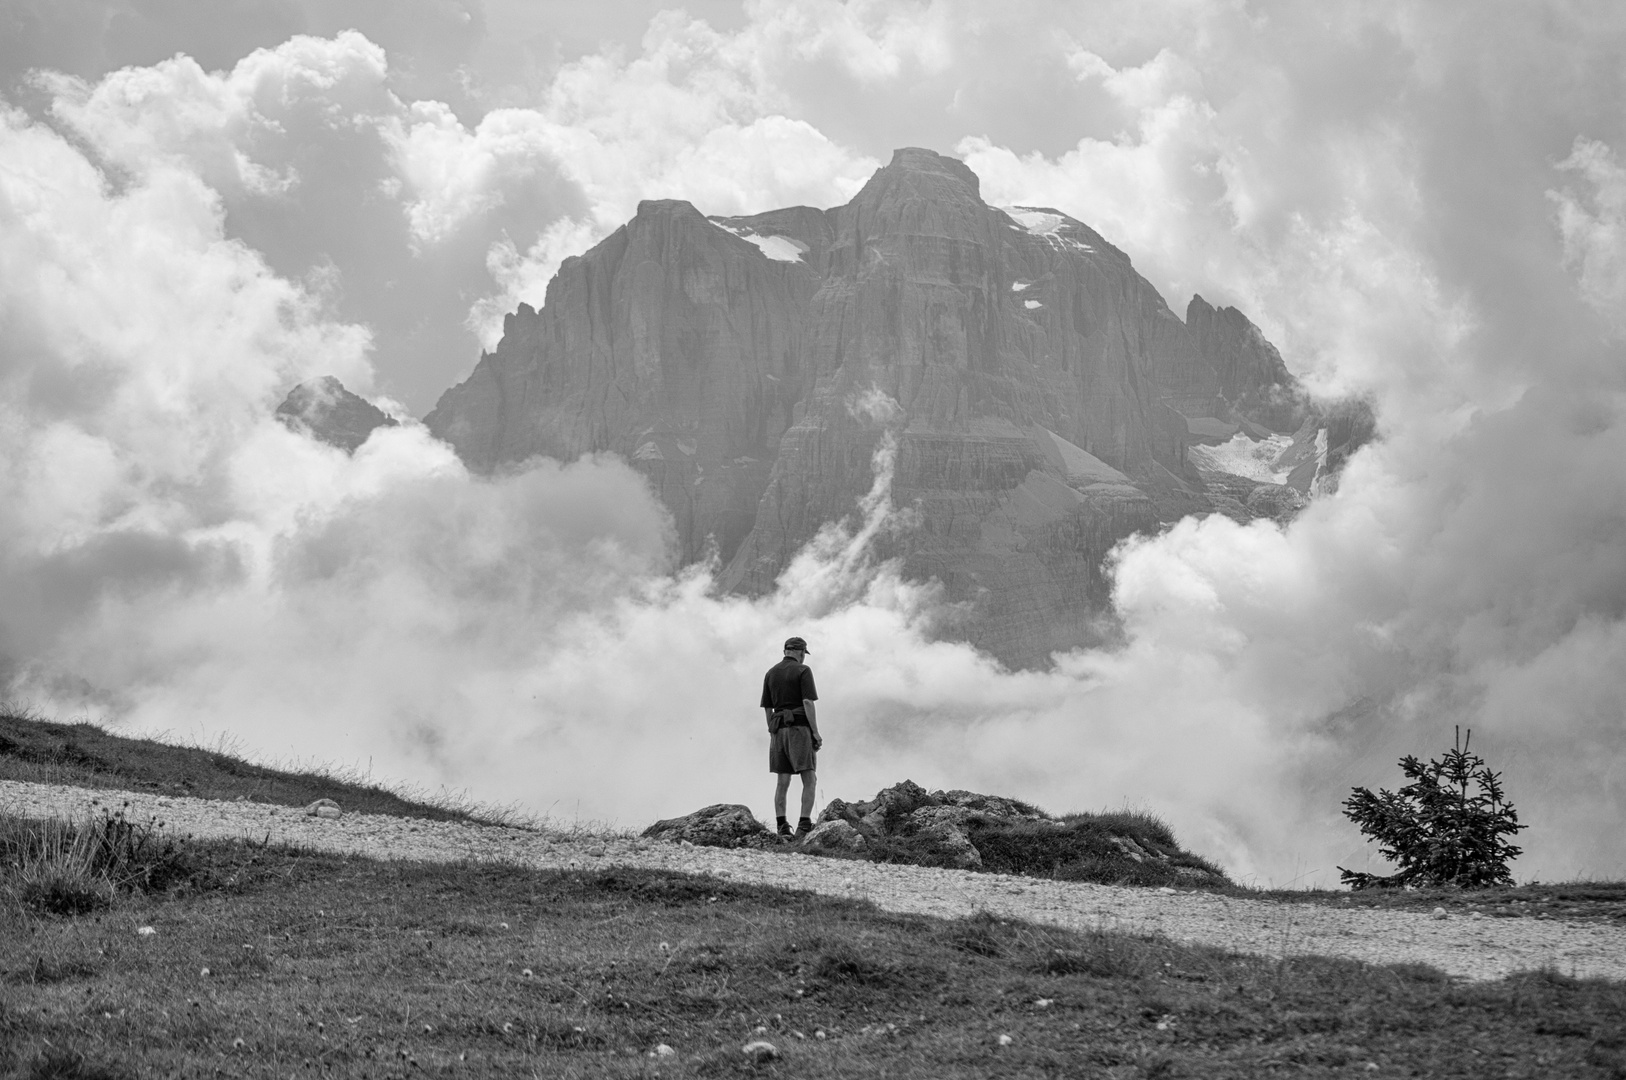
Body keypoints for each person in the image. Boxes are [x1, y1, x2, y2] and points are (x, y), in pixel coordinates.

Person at [760, 635, 822, 838]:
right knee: (809, 777)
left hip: (778, 730)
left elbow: (768, 708)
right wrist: (815, 732)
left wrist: (772, 730)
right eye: (804, 652)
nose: (804, 657)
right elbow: (808, 703)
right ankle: (804, 824)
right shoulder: (803, 671)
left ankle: (782, 826)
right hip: (799, 729)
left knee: (782, 781)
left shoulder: (770, 673)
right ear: (799, 651)